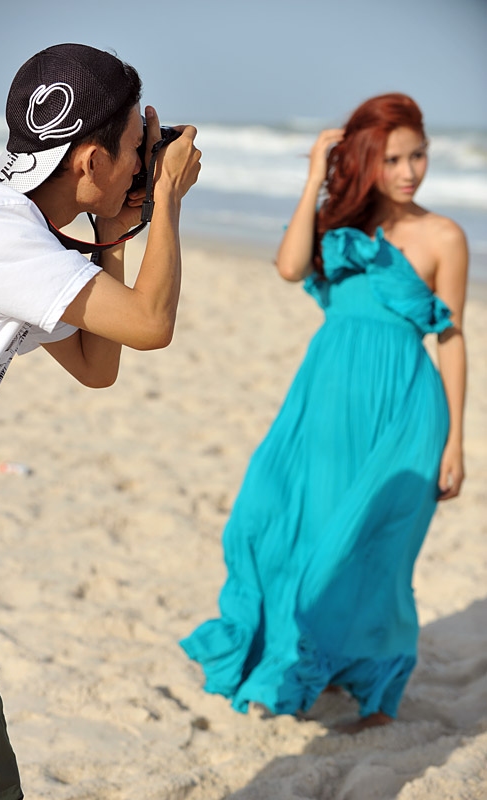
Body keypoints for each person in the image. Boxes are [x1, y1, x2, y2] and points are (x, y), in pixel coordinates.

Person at [0, 43, 200, 797]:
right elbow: (150, 324)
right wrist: (168, 200)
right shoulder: (4, 241)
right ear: (89, 162)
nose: (140, 166)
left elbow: (97, 363)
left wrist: (112, 235)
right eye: (133, 150)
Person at [181, 93, 467, 733]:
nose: (410, 171)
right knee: (271, 519)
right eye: (392, 158)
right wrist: (315, 175)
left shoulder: (444, 236)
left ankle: (376, 690)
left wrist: (455, 441)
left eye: (418, 155)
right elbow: (289, 267)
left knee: (373, 551)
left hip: (402, 411)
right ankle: (307, 656)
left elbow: (451, 338)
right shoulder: (340, 227)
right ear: (365, 160)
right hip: (322, 403)